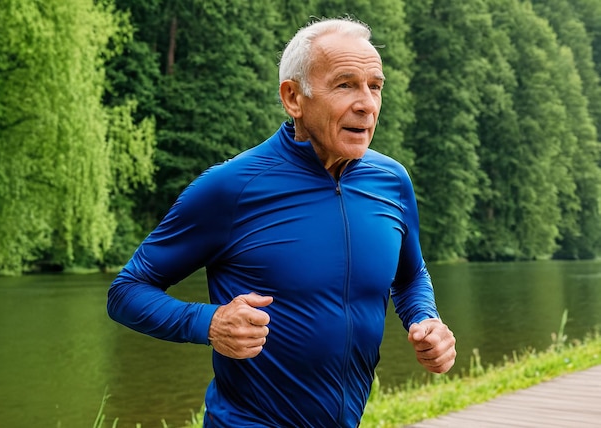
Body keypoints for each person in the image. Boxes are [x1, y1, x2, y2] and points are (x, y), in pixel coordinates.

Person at [107, 17, 456, 427]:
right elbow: (126, 291)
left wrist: (425, 319)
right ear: (294, 98)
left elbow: (410, 274)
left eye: (374, 86)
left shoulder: (392, 182)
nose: (367, 104)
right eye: (345, 84)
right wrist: (209, 322)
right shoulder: (231, 187)